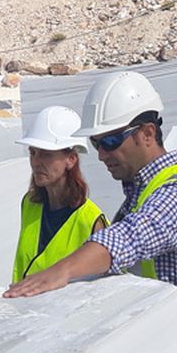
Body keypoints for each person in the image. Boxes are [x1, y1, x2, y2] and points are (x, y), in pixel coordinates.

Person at [3, 70, 177, 302]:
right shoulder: (142, 193)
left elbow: (130, 237)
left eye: (110, 141)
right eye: (96, 144)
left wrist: (60, 271)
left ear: (147, 133)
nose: (102, 154)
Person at [13, 105, 107, 283]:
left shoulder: (91, 219)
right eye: (33, 152)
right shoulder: (29, 204)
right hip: (23, 307)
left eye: (46, 154)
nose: (36, 162)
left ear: (71, 159)